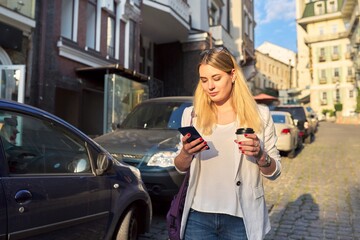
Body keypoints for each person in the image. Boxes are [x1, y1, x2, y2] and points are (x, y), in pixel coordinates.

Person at [174, 47, 282, 240]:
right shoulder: (191, 115)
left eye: (216, 78)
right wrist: (185, 153)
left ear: (232, 75)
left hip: (241, 218)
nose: (210, 87)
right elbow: (180, 167)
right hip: (198, 217)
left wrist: (260, 155)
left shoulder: (260, 115)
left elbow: (274, 172)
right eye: (204, 80)